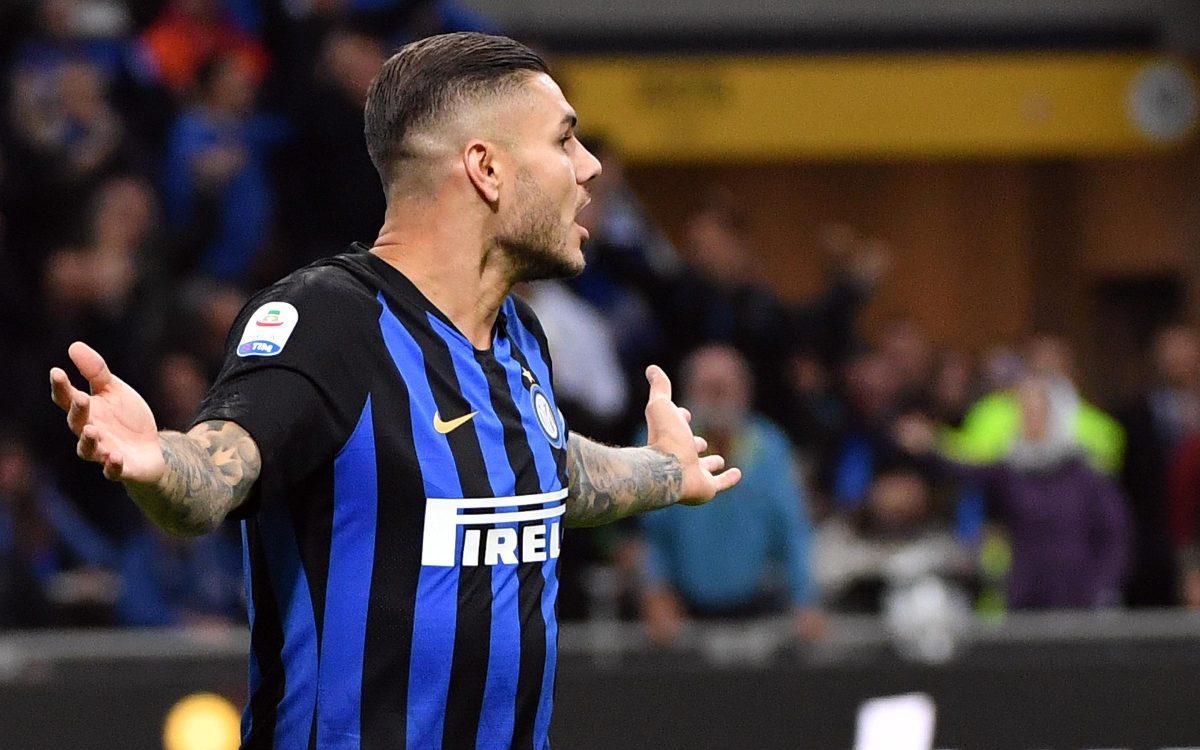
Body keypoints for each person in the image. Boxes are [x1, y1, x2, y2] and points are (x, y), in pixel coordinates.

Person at [49, 32, 741, 750]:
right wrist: (161, 463)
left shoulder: (517, 336)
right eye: (564, 140)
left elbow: (542, 470)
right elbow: (217, 468)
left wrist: (665, 470)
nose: (590, 166)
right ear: (486, 168)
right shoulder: (329, 321)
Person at [637, 345, 824, 644]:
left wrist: (806, 599)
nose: (718, 397)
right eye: (708, 388)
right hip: (683, 610)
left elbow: (793, 529)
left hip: (761, 606)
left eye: (724, 388)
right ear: (688, 392)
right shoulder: (662, 444)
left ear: (745, 390)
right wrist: (655, 590)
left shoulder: (771, 447)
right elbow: (650, 533)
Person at [897, 376, 1131, 609]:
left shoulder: (1085, 476)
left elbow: (1116, 535)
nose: (1029, 421)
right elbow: (967, 469)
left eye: (1037, 413)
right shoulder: (1011, 470)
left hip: (1077, 593)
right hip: (1025, 593)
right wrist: (931, 444)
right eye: (1024, 413)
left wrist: (1101, 585)